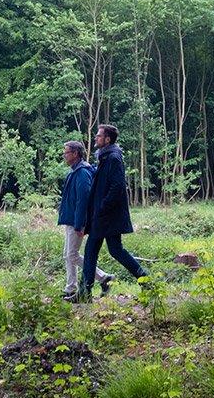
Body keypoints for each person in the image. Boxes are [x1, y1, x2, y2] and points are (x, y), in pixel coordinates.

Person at [79, 124, 148, 302]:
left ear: (107, 140)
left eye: (99, 136)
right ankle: (84, 292)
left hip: (107, 216)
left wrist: (102, 207)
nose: (95, 138)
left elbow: (117, 186)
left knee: (114, 251)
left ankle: (147, 283)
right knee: (95, 252)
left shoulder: (113, 158)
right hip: (101, 216)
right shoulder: (105, 157)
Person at [58, 140, 114, 300]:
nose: (64, 155)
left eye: (66, 152)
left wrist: (79, 223)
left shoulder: (82, 172)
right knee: (68, 255)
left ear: (75, 154)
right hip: (71, 219)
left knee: (73, 255)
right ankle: (70, 289)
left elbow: (83, 199)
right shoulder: (75, 171)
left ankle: (104, 278)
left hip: (76, 221)